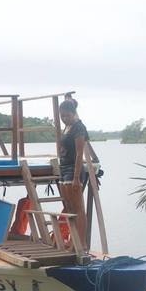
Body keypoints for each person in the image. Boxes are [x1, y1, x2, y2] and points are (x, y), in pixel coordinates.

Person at [56, 96, 90, 246]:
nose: (64, 118)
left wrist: (76, 177)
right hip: (63, 168)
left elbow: (79, 154)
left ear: (74, 113)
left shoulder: (79, 127)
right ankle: (72, 240)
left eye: (67, 116)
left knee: (78, 209)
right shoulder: (67, 127)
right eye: (62, 116)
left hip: (73, 170)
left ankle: (81, 243)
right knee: (68, 208)